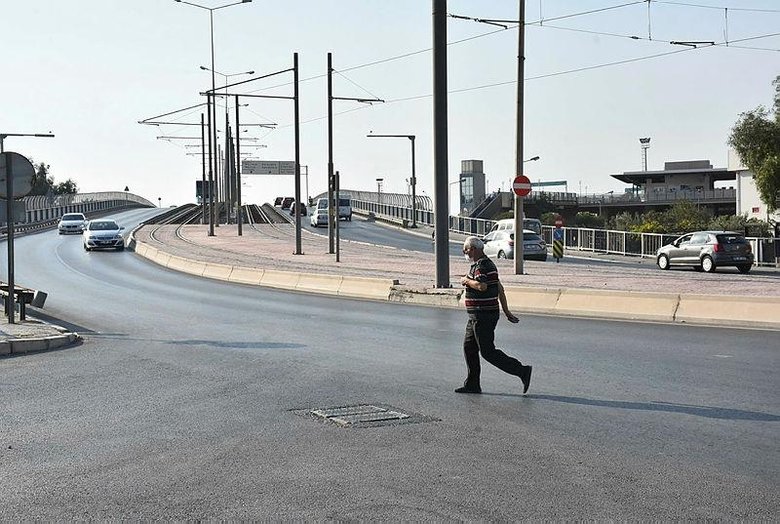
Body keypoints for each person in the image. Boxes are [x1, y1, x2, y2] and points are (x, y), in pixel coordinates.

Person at [456, 236, 532, 394]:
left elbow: (482, 286)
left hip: (482, 316)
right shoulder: (481, 265)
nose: (465, 251)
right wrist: (507, 311)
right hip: (476, 316)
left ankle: (522, 371)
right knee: (469, 348)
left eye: (467, 249)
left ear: (474, 249)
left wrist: (466, 281)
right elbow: (500, 289)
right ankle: (472, 384)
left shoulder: (482, 266)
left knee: (488, 352)